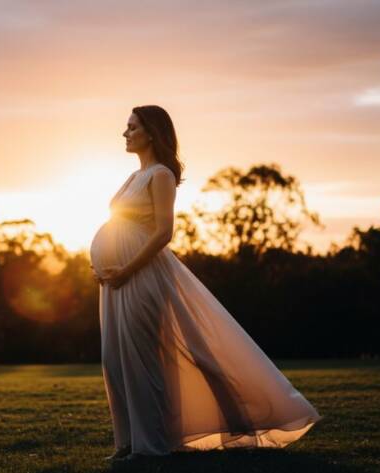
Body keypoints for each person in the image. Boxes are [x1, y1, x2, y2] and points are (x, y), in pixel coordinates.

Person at [89, 105, 322, 462]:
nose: (125, 133)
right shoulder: (131, 178)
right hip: (114, 280)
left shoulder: (161, 175)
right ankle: (128, 443)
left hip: (140, 275)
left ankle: (151, 447)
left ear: (151, 132)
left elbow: (163, 232)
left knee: (142, 358)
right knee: (115, 359)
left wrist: (127, 269)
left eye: (132, 127)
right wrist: (105, 265)